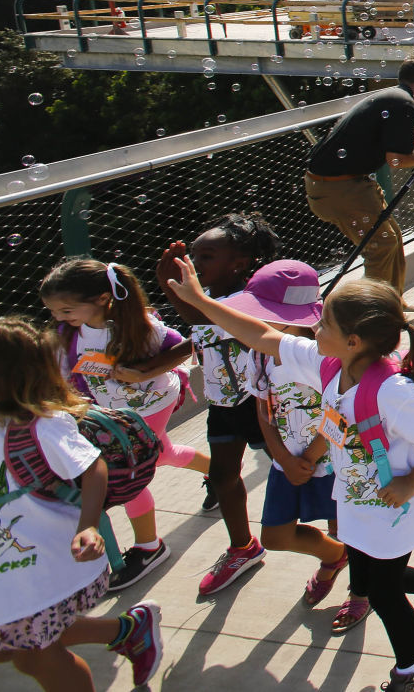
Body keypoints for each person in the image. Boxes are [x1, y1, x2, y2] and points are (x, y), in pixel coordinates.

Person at [165, 268, 414, 692]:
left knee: (381, 595)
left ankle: (411, 673)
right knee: (372, 573)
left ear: (354, 341)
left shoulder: (390, 391)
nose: (314, 328)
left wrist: (411, 482)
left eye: (324, 323)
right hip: (357, 504)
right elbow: (263, 337)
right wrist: (200, 302)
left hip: (392, 513)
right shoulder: (329, 364)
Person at [0, 317, 167, 689]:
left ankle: (126, 631)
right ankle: (127, 630)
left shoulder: (37, 425)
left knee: (36, 654)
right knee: (4, 650)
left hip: (40, 561)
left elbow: (93, 467)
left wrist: (88, 524)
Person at [39, 259, 206, 592]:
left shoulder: (138, 324)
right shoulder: (67, 335)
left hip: (151, 404)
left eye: (66, 309)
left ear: (102, 298)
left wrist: (144, 370)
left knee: (127, 470)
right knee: (161, 453)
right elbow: (62, 374)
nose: (59, 317)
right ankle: (217, 473)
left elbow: (186, 344)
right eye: (54, 311)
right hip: (113, 412)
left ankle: (149, 547)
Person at [239, 260, 370, 633]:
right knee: (275, 535)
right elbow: (263, 410)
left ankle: (360, 592)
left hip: (334, 463)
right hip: (287, 462)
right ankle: (334, 557)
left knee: (347, 528)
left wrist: (311, 456)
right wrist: (281, 456)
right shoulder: (258, 354)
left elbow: (344, 411)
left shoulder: (324, 356)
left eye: (263, 314)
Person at [154, 212, 280, 596]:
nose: (196, 262)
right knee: (224, 476)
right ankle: (243, 547)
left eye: (207, 255)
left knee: (298, 472)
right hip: (224, 402)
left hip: (261, 404)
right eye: (196, 254)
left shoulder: (250, 298)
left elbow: (205, 321)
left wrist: (172, 286)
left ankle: (348, 539)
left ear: (239, 263)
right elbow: (196, 332)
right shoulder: (206, 298)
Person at [305, 57, 414, 298]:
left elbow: (400, 150)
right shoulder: (404, 104)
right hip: (339, 188)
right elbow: (397, 160)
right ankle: (376, 312)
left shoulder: (395, 98)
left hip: (341, 184)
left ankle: (394, 304)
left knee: (393, 239)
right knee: (381, 247)